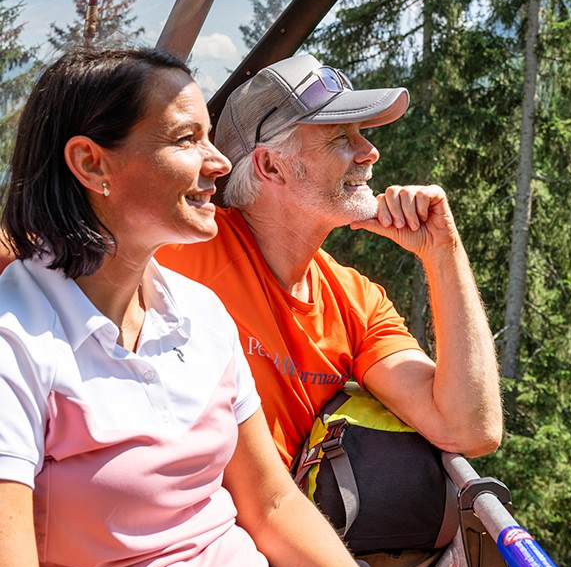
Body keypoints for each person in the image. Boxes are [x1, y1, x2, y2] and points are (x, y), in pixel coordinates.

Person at [0, 46, 380, 567]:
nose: (220, 162)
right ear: (91, 163)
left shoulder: (200, 311)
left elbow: (272, 504)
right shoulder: (16, 343)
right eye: (186, 139)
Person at [158, 54, 503, 471]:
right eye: (340, 137)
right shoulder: (177, 252)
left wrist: (443, 253)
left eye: (361, 134)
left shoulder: (358, 302)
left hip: (276, 511)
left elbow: (469, 429)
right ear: (271, 165)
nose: (370, 152)